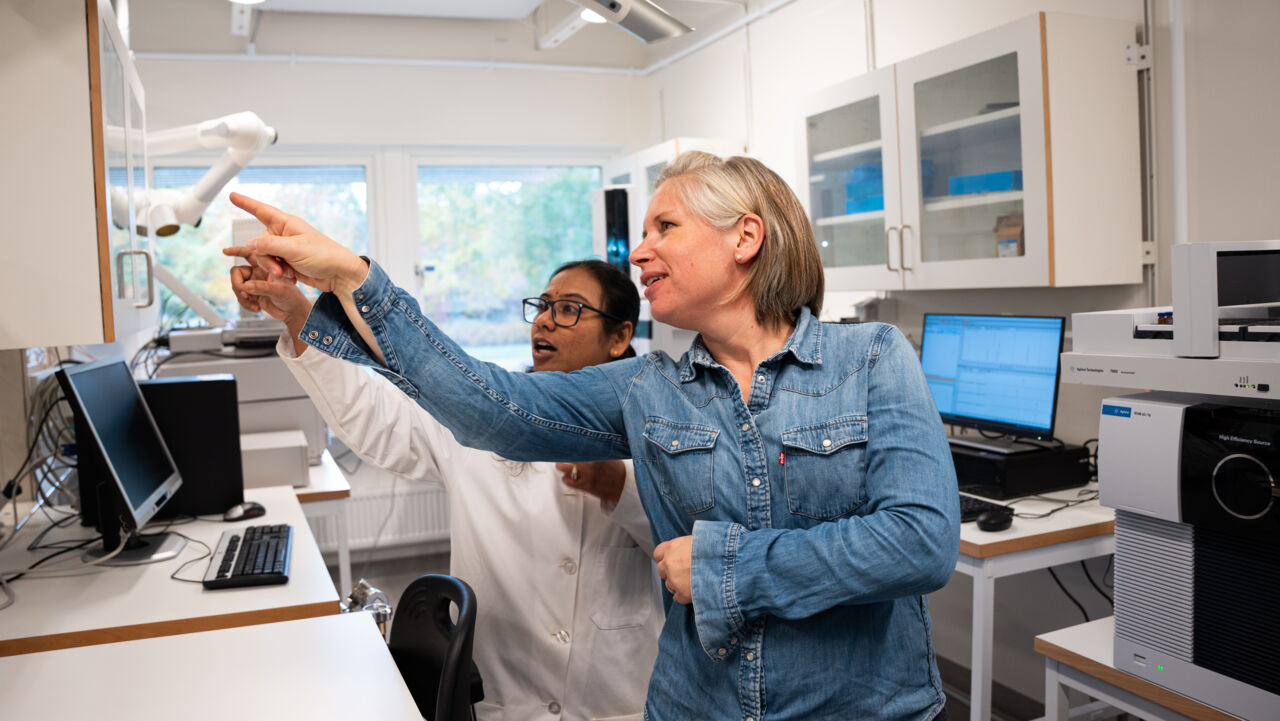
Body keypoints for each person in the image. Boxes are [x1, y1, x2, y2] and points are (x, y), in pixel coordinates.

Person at [226, 151, 961, 721]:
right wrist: (353, 280)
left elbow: (921, 540)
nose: (638, 253)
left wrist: (723, 565)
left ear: (746, 236)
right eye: (642, 233)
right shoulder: (649, 387)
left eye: (664, 228)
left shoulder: (872, 357)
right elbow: (490, 408)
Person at [232, 258, 662, 721]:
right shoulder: (484, 416)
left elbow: (690, 555)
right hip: (505, 700)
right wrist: (297, 313)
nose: (544, 320)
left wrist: (620, 486)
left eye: (569, 309)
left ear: (619, 337)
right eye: (544, 305)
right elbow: (374, 414)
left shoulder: (658, 426)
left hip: (616, 702)